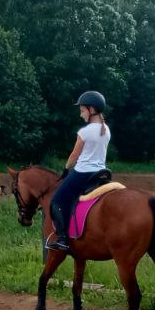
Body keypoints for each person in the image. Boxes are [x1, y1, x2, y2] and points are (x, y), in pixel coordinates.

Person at [46, 90, 110, 252]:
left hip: (83, 172)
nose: (81, 115)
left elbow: (75, 154)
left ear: (92, 109)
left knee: (57, 201)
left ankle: (62, 239)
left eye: (82, 111)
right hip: (101, 173)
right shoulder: (106, 130)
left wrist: (66, 168)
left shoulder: (85, 132)